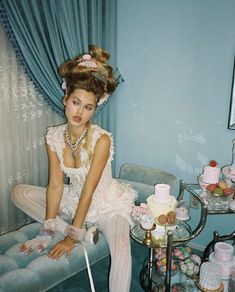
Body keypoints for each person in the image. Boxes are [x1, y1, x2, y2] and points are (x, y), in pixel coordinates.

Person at [11, 44, 137, 292]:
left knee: (122, 251)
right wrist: (48, 229)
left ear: (95, 109)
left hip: (106, 204)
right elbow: (56, 184)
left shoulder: (102, 140)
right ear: (65, 99)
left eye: (88, 107)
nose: (80, 111)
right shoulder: (53, 137)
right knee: (20, 193)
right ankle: (84, 233)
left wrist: (71, 237)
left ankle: (79, 230)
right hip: (74, 199)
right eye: (76, 102)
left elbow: (90, 191)